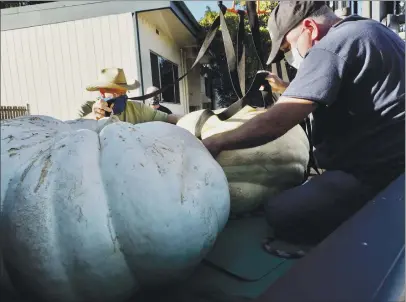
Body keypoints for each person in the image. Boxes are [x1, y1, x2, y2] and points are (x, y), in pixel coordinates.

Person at [202, 2, 405, 244]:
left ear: (310, 27)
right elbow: (343, 92)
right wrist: (287, 89)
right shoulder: (373, 32)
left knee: (281, 211)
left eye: (288, 46)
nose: (290, 55)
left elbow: (277, 122)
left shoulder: (330, 46)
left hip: (377, 177)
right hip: (398, 168)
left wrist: (216, 142)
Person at [85, 68, 179, 124]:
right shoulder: (86, 109)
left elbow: (168, 118)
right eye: (116, 92)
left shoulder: (137, 109)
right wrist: (93, 117)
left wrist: (190, 120)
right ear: (102, 92)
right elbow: (73, 129)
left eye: (124, 92)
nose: (121, 96)